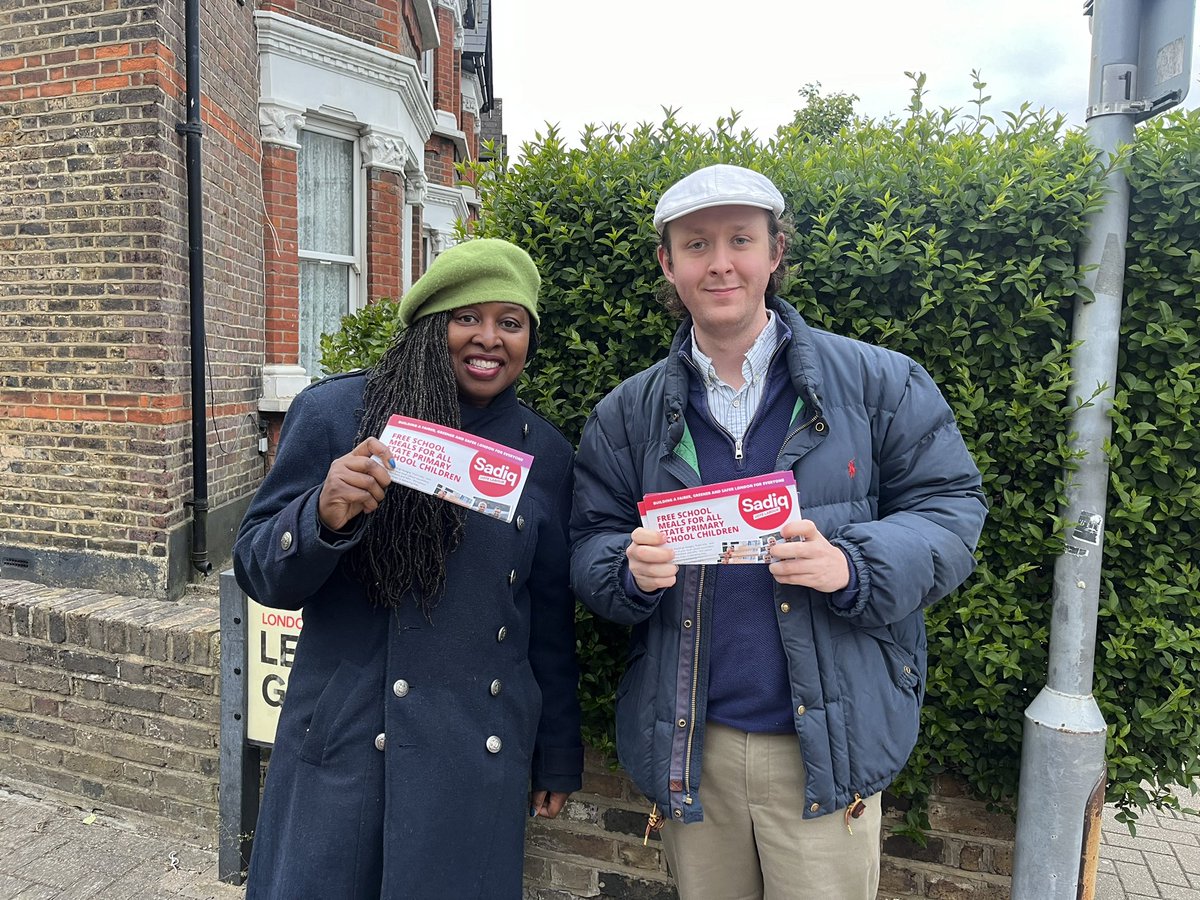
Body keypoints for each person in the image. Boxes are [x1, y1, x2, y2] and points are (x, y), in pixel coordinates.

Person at [570, 165, 987, 899]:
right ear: (669, 264)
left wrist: (853, 565)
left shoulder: (881, 383)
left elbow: (951, 511)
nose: (720, 262)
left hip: (826, 748)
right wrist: (624, 572)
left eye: (740, 240)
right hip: (694, 744)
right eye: (696, 245)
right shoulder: (626, 414)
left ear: (775, 253)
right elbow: (590, 542)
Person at [234, 238, 583, 900]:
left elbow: (545, 620)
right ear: (431, 325)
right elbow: (258, 568)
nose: (488, 339)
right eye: (465, 318)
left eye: (510, 322)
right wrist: (320, 515)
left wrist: (557, 754)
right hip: (348, 746)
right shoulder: (338, 414)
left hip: (474, 760)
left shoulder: (549, 457)